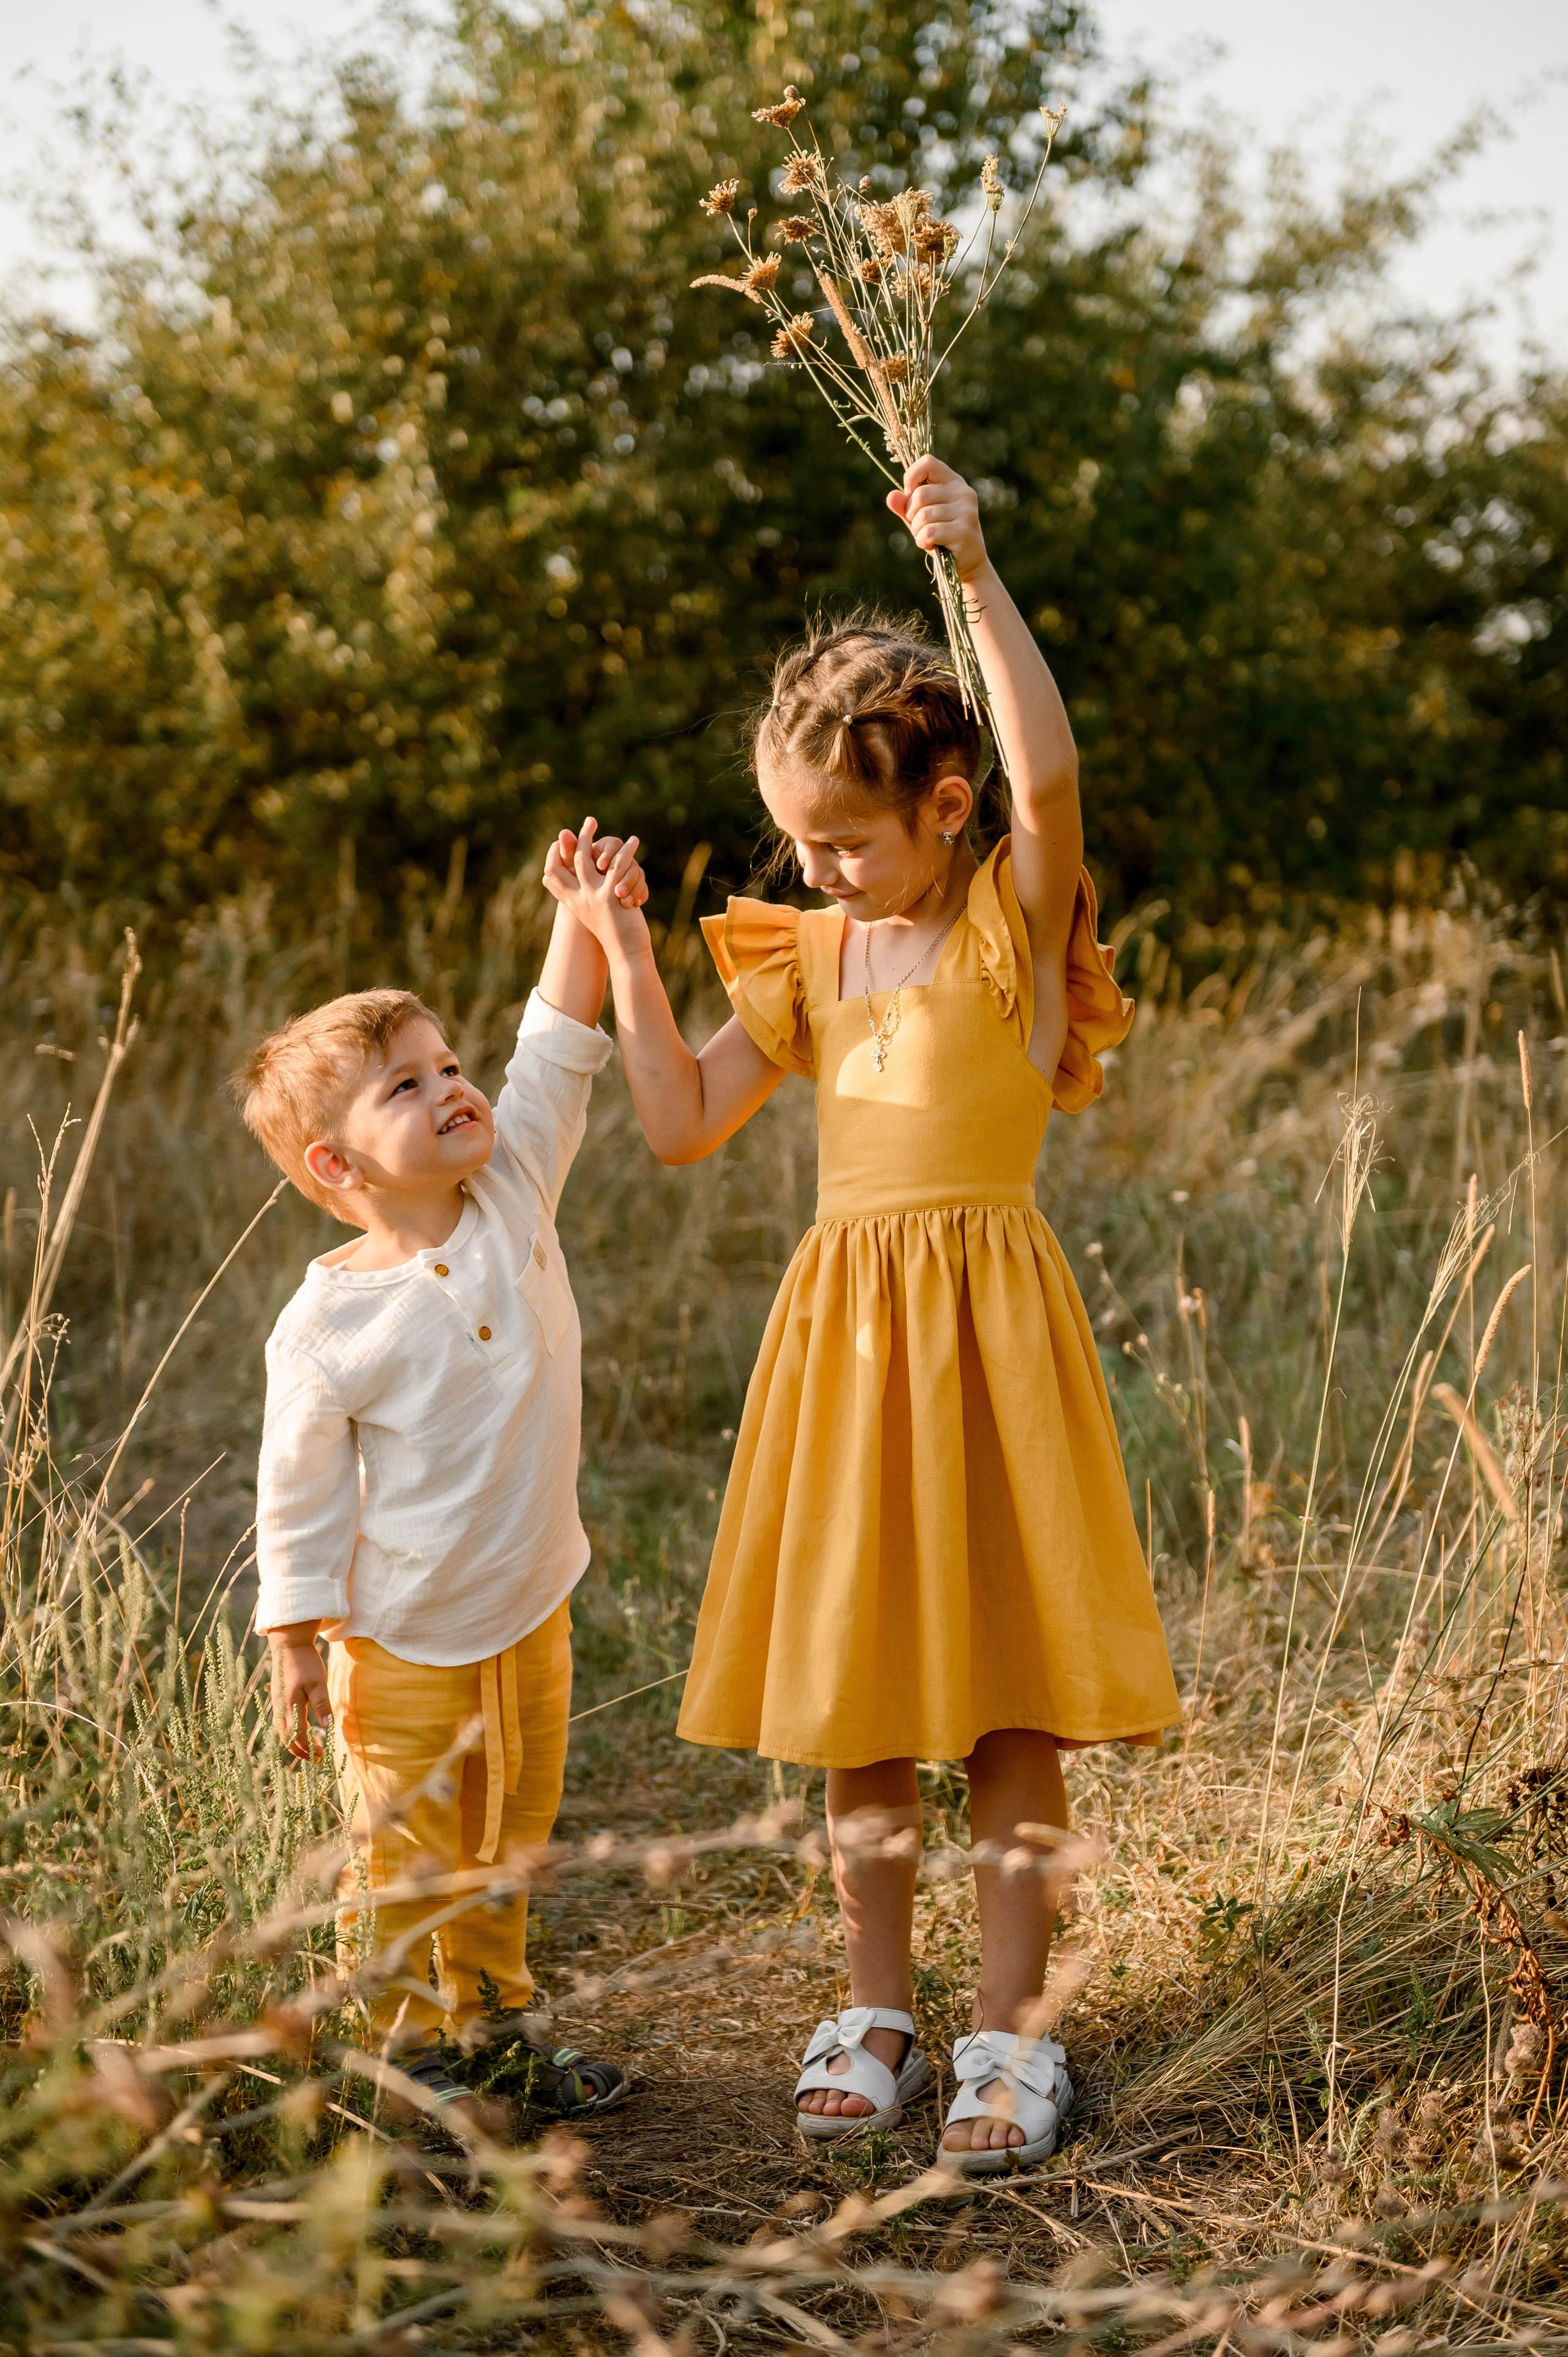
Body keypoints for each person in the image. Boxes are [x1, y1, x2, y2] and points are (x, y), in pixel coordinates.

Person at [543, 456, 1182, 2173]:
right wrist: (616, 949)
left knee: (1010, 1710)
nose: (819, 870)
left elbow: (1051, 770)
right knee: (863, 1705)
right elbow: (680, 1124)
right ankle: (880, 2011)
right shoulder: (813, 963)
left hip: (990, 1342)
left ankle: (1013, 2035)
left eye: (847, 839)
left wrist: (972, 571)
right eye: (799, 840)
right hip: (847, 1353)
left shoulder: (1002, 931)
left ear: (946, 809)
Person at [237, 824, 646, 2138]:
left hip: (528, 1605)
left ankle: (501, 2033)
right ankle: (412, 2060)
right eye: (405, 1088)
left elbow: (558, 1046)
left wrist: (582, 914)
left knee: (511, 1831)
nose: (451, 1088)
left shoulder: (513, 1179)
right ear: (336, 1170)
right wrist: (296, 1637)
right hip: (399, 1640)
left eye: (446, 1065)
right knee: (410, 1850)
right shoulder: (326, 1327)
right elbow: (295, 1493)